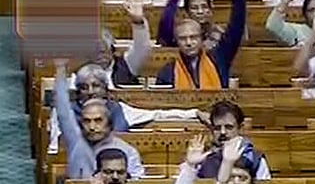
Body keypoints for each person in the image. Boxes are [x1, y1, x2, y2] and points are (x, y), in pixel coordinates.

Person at [48, 57, 206, 154]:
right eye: (84, 87)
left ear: (106, 89)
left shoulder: (119, 109)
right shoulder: (64, 112)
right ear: (77, 91)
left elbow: (158, 114)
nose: (90, 92)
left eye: (96, 86)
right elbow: (54, 148)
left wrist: (194, 113)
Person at [155, 0, 249, 89]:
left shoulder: (219, 57)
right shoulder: (167, 72)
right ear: (177, 41)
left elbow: (236, 25)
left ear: (201, 38)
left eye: (193, 37)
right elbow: (165, 27)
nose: (188, 43)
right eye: (183, 39)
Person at [53, 60, 145, 179]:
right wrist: (60, 71)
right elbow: (63, 112)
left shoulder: (127, 151)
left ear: (109, 124)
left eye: (98, 120)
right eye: (87, 121)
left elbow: (137, 183)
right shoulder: (76, 143)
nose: (92, 127)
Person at [194, 101, 271, 180]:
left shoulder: (253, 159)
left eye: (229, 127)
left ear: (240, 128)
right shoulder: (205, 159)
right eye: (217, 128)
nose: (222, 132)